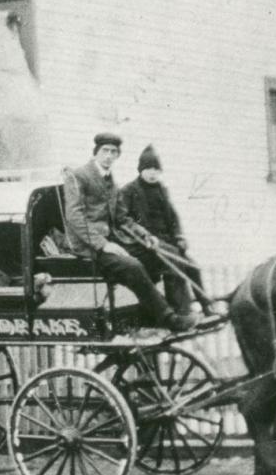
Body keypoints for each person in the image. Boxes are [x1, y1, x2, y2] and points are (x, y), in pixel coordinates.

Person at [61, 133, 193, 334]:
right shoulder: (78, 176)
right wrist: (102, 244)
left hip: (112, 240)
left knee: (168, 254)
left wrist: (144, 235)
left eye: (113, 152)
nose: (109, 156)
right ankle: (168, 318)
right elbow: (75, 217)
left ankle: (181, 313)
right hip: (89, 247)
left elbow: (123, 218)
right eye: (105, 151)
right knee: (133, 266)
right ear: (96, 152)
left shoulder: (110, 181)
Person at [117, 145, 218, 320]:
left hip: (166, 243)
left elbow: (173, 218)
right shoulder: (129, 191)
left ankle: (206, 306)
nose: (152, 173)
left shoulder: (162, 190)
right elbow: (124, 221)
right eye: (148, 168)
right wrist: (144, 238)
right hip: (144, 245)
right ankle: (180, 312)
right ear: (140, 169)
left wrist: (179, 237)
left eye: (156, 169)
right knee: (174, 265)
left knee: (192, 266)